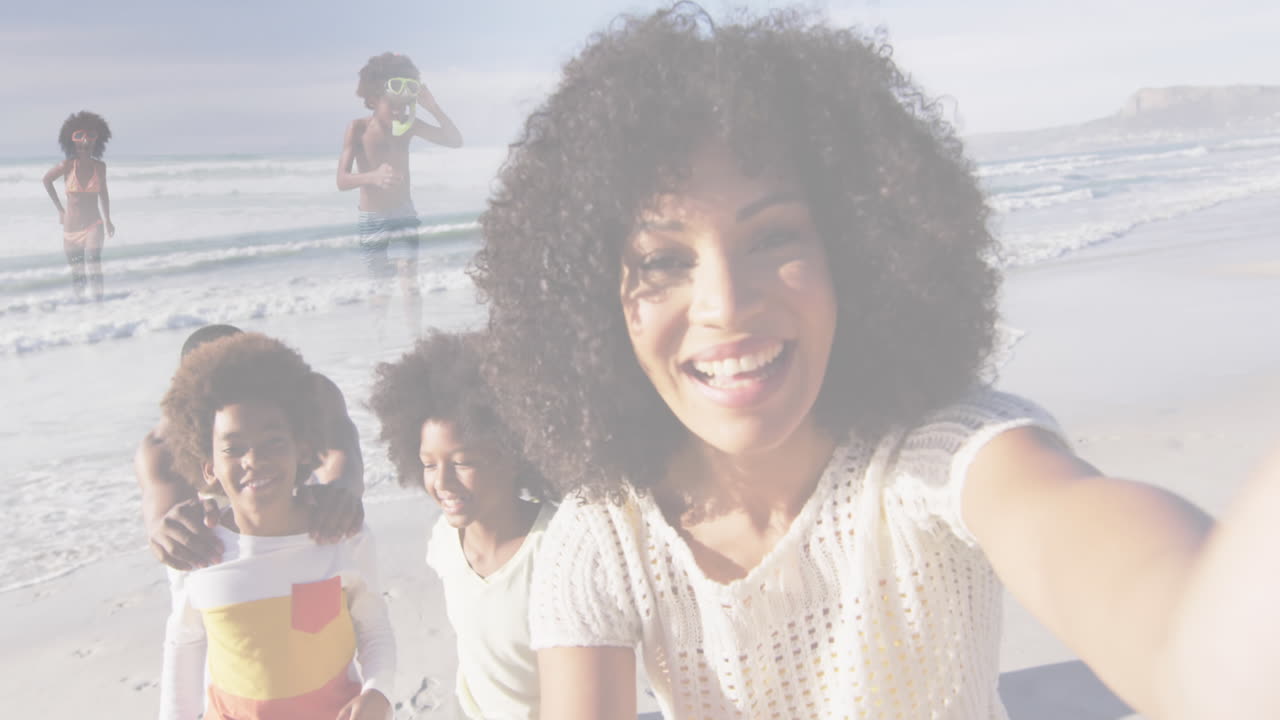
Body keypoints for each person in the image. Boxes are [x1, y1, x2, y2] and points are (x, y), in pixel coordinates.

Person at [470, 6, 1280, 719]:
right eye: (662, 259)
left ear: (854, 251)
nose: (723, 303)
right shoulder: (606, 538)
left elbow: (1175, 630)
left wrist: (1206, 646)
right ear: (593, 305)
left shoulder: (939, 461)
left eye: (774, 236)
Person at [157, 332, 394, 720]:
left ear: (302, 447)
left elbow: (373, 623)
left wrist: (379, 690)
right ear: (209, 468)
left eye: (272, 442)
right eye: (234, 448)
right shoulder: (199, 548)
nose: (254, 460)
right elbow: (184, 642)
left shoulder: (337, 533)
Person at [369, 331, 551, 720]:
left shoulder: (555, 547)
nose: (443, 483)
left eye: (463, 462)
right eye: (429, 464)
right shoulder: (444, 541)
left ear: (515, 453)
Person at [135, 324, 364, 571]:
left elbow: (343, 456)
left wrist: (339, 495)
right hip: (220, 520)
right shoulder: (162, 446)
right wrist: (166, 531)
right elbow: (162, 521)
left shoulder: (311, 395)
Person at [337, 51, 463, 339]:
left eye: (405, 106)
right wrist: (372, 176)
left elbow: (455, 141)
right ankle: (378, 340)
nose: (399, 112)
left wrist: (432, 106)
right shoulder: (357, 129)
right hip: (372, 217)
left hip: (404, 211)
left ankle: (416, 342)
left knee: (409, 278)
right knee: (380, 285)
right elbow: (342, 180)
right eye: (393, 106)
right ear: (372, 98)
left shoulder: (409, 126)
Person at [42, 110, 115, 302]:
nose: (85, 140)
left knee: (93, 262)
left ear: (96, 141)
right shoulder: (66, 165)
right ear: (72, 140)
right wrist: (59, 209)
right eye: (79, 135)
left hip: (94, 225)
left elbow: (103, 193)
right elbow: (47, 180)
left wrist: (107, 220)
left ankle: (100, 305)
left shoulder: (100, 167)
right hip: (70, 230)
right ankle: (81, 313)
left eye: (91, 135)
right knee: (78, 274)